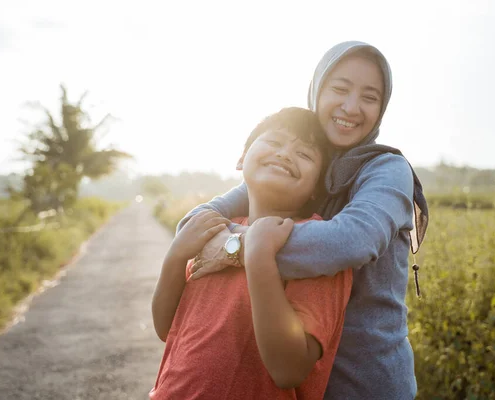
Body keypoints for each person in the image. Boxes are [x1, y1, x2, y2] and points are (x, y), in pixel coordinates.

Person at [177, 41, 429, 399]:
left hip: (364, 383)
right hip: (299, 384)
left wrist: (242, 246)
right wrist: (238, 244)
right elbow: (194, 224)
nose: (351, 107)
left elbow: (352, 240)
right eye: (339, 89)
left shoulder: (386, 169)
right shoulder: (303, 162)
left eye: (370, 97)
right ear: (316, 90)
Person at [150, 107, 353, 400]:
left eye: (305, 154)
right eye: (274, 142)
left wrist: (259, 257)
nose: (285, 154)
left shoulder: (318, 248)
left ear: (316, 189)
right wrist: (176, 255)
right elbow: (166, 328)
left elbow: (288, 370)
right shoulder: (213, 231)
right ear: (242, 158)